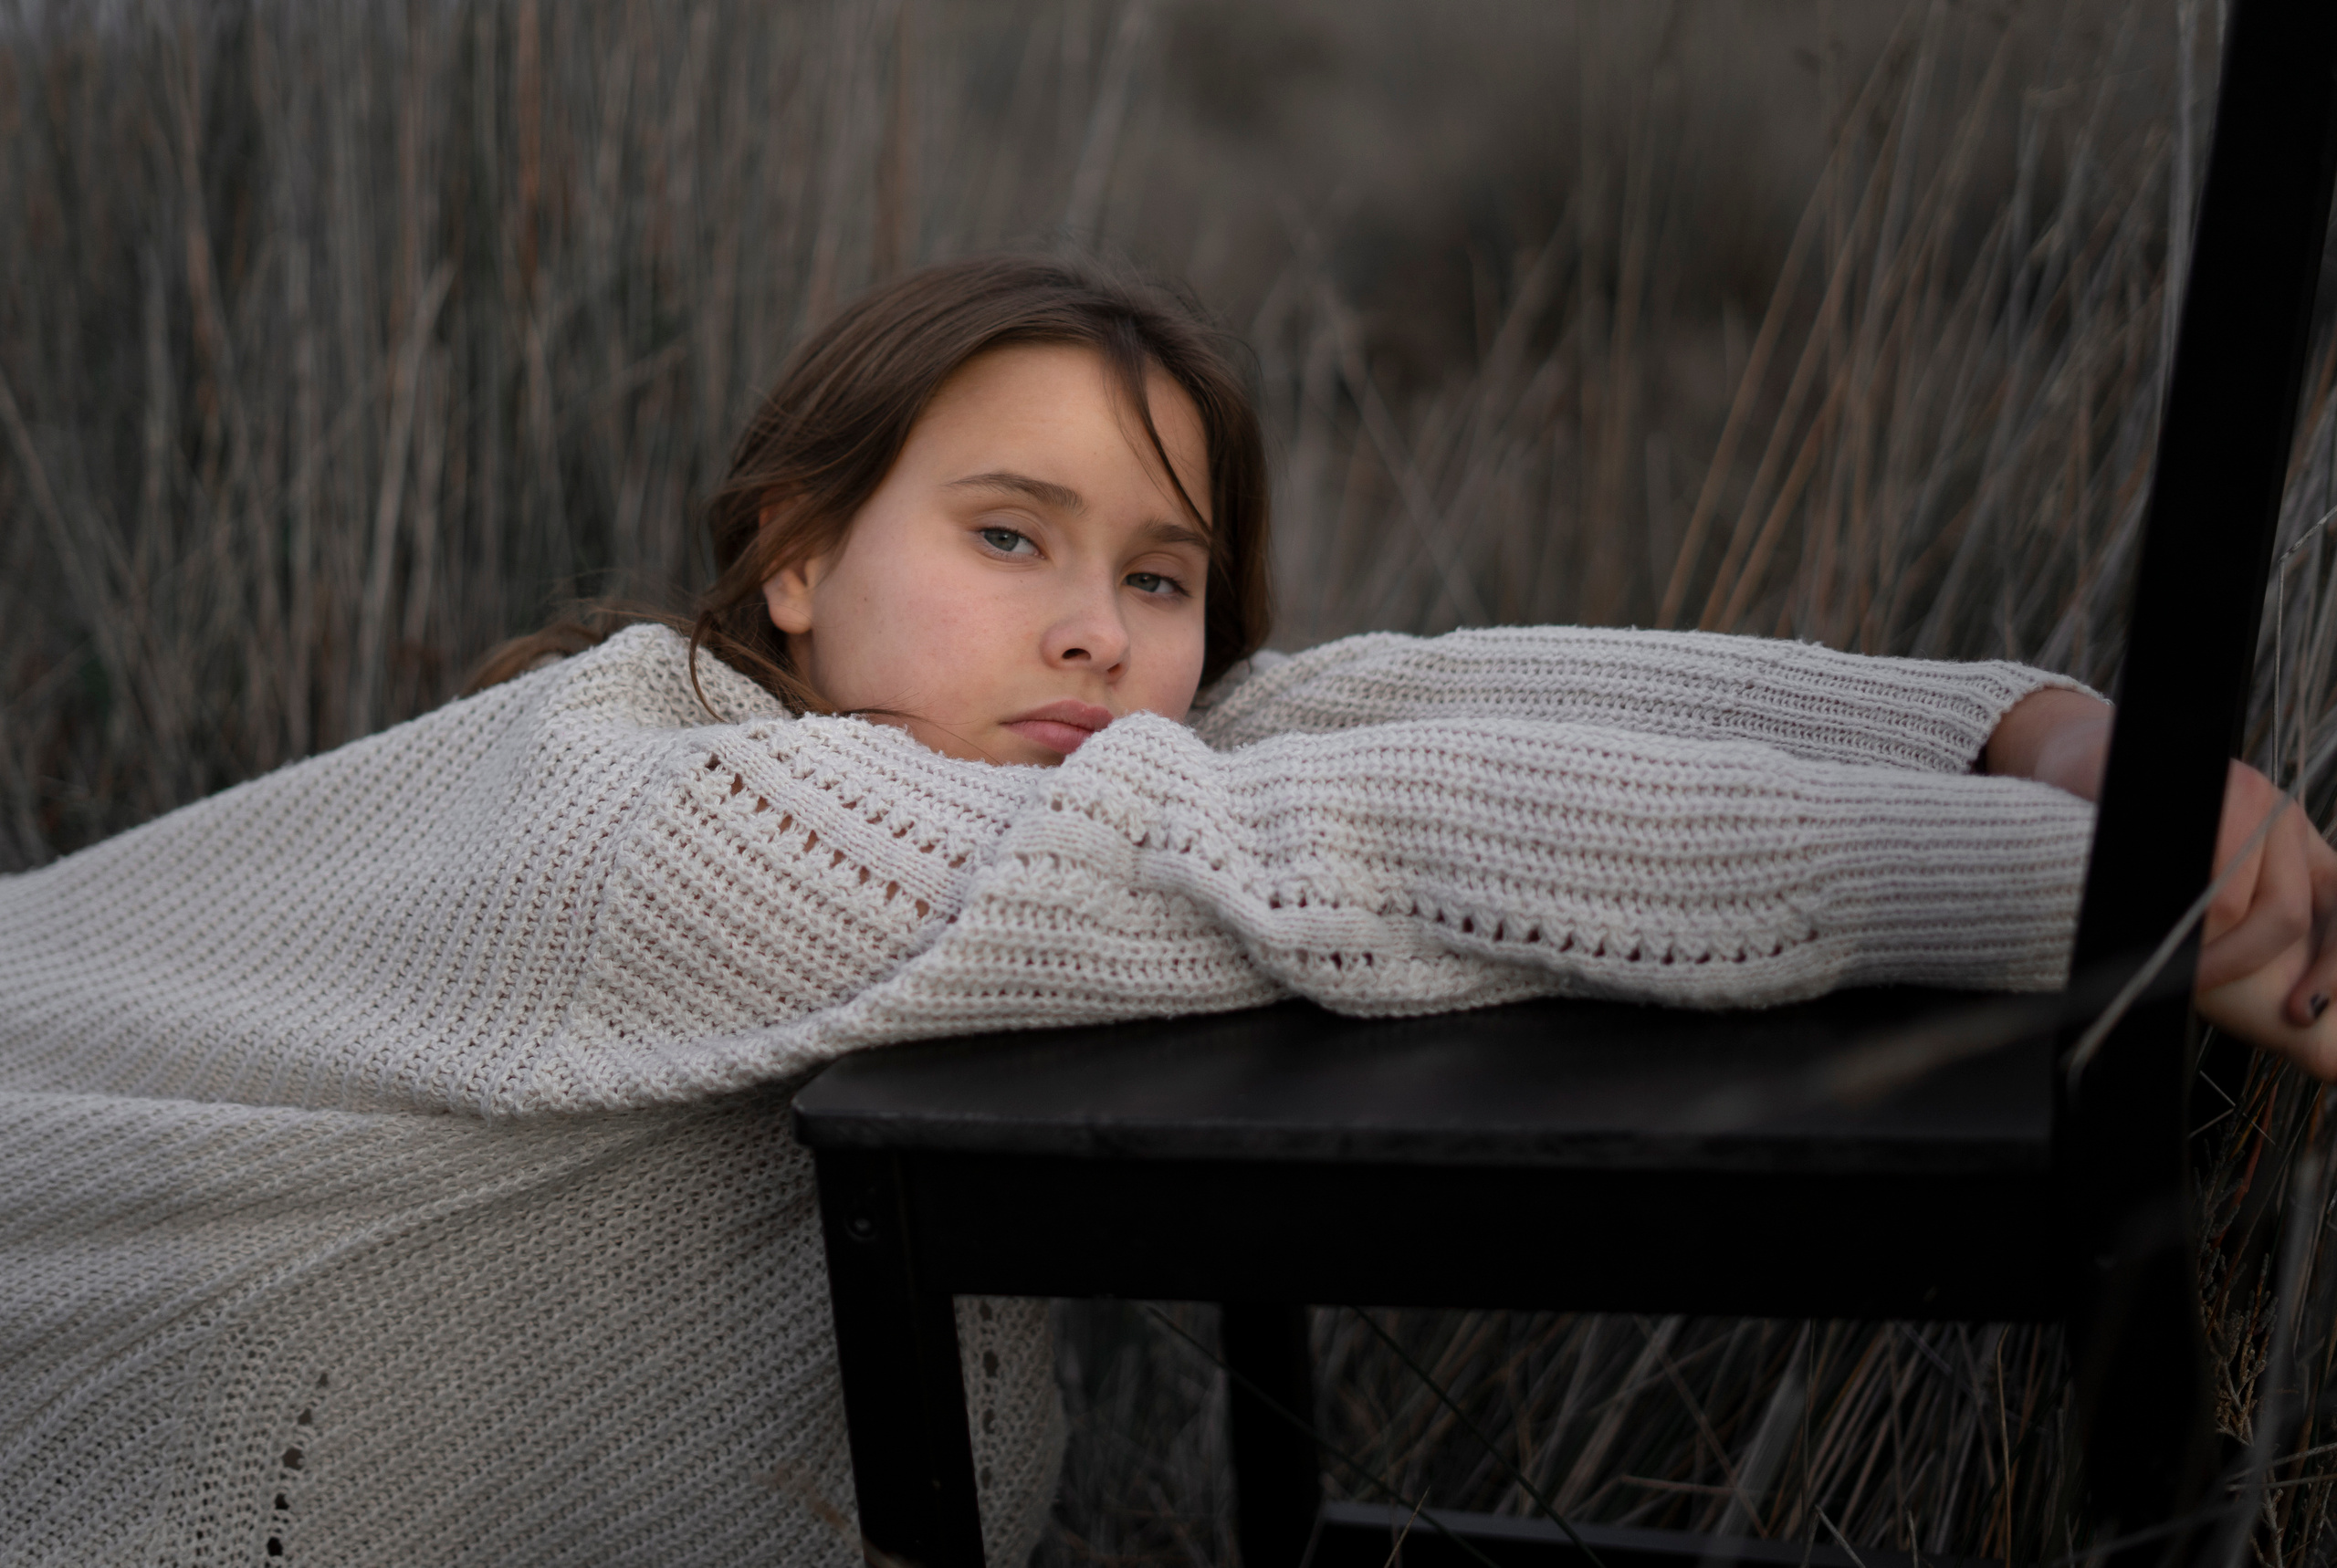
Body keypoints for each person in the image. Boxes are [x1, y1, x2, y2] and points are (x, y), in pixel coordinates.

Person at [0, 253, 2330, 1564]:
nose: (1100, 629)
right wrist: (2087, 896)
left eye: (1157, 572)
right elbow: (1273, 838)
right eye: (1005, 536)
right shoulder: (674, 821)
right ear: (796, 558)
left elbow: (1357, 708)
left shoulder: (974, 740)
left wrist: (2020, 730)